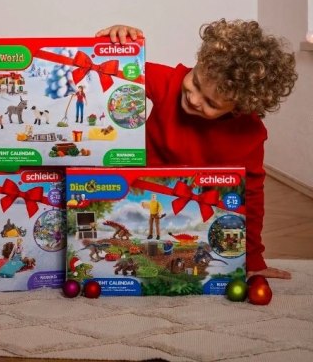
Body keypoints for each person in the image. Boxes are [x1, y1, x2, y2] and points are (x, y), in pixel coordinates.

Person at [95, 20, 297, 279]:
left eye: (211, 102)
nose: (193, 98)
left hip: (193, 206)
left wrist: (254, 258)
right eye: (196, 82)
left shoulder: (248, 134)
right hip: (139, 191)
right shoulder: (169, 81)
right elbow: (112, 70)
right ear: (199, 62)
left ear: (239, 108)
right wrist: (116, 44)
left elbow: (252, 197)